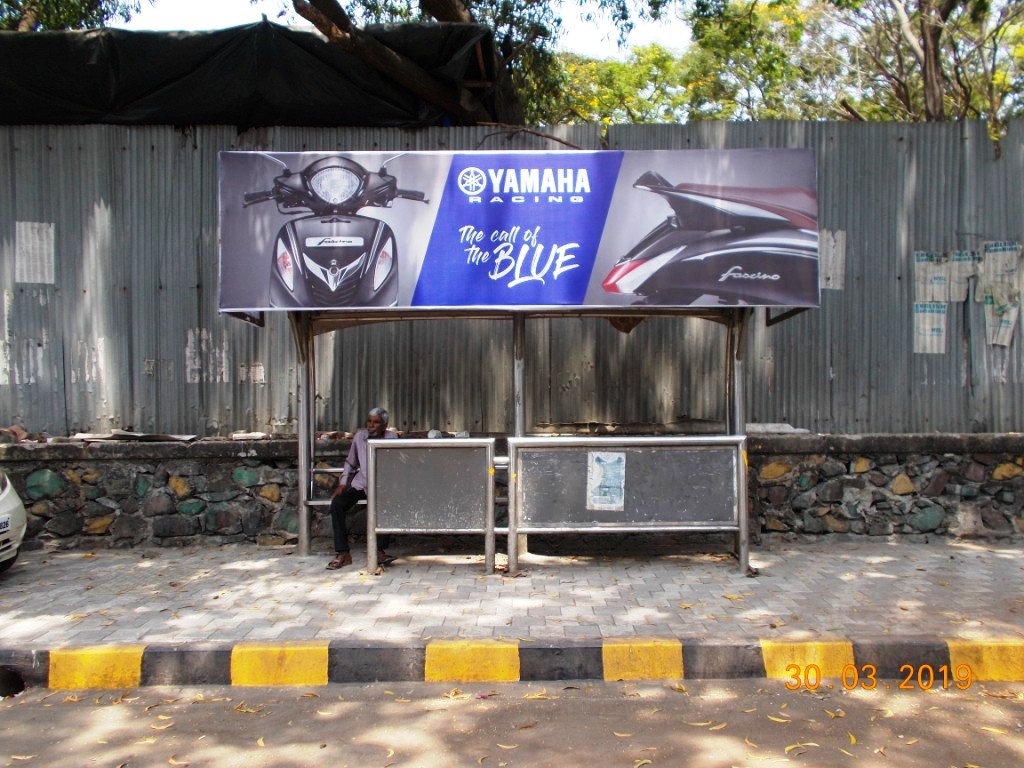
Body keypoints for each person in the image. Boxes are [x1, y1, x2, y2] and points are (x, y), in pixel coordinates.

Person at [326, 407, 397, 570]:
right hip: (362, 483)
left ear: (384, 425)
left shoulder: (392, 438)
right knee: (337, 504)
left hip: (383, 486)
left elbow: (398, 465)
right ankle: (343, 553)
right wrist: (343, 483)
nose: (371, 425)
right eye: (369, 421)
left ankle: (379, 551)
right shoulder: (360, 437)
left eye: (376, 422)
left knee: (386, 504)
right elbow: (351, 462)